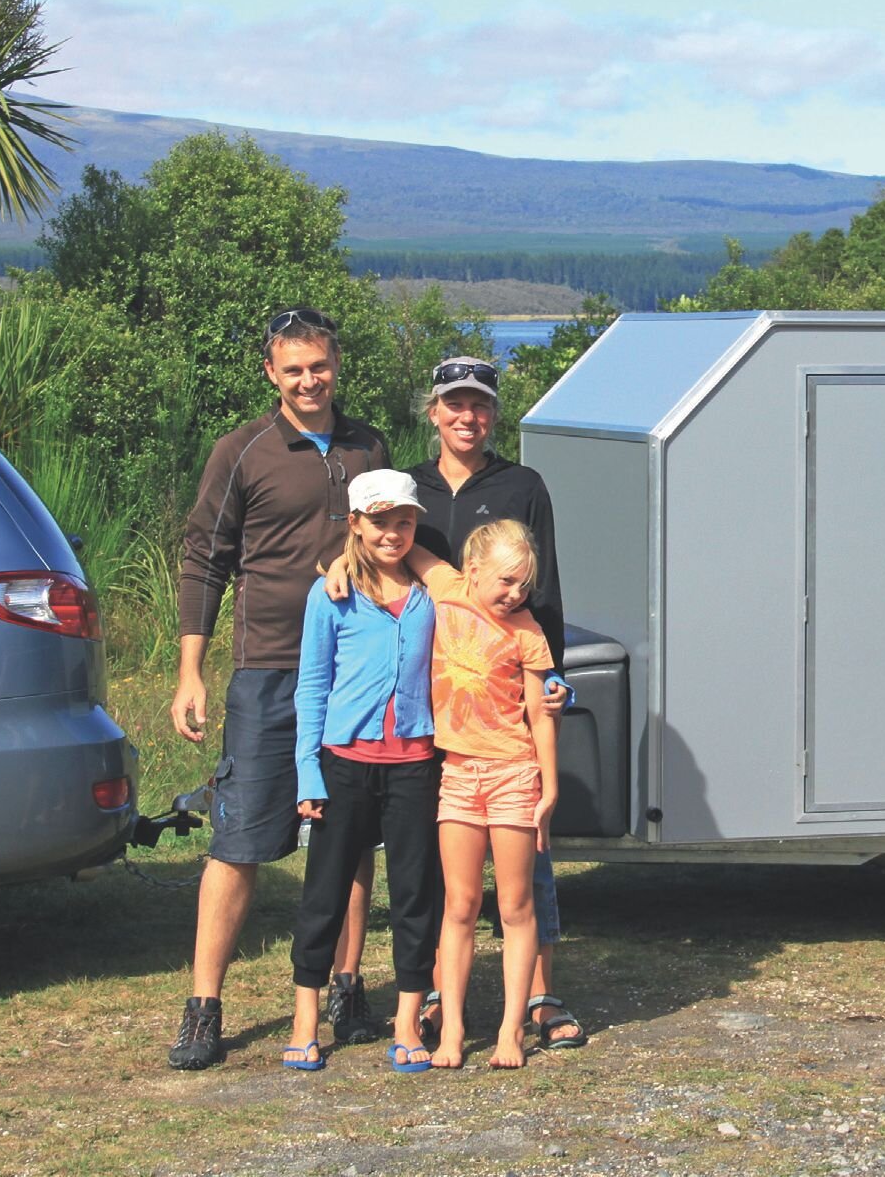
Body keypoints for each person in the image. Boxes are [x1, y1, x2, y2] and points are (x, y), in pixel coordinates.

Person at [329, 356, 587, 1050]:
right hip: (432, 710)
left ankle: (539, 996)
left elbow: (544, 591)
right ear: (434, 411)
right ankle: (443, 997)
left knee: (527, 872)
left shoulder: (522, 485)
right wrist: (342, 560)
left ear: (494, 413)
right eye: (454, 403)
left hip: (510, 702)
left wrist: (552, 676)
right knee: (445, 877)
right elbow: (385, 546)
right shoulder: (409, 486)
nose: (467, 416)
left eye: (479, 404)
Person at [168, 307, 389, 1071]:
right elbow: (204, 558)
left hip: (355, 671)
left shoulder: (368, 447)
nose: (307, 380)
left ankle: (348, 987)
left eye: (318, 365)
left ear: (336, 363)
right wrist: (191, 670)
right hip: (268, 669)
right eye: (292, 369)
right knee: (240, 840)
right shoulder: (242, 450)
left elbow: (390, 544)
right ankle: (203, 1005)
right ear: (270, 372)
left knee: (350, 835)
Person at [285, 470, 440, 1073]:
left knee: (414, 895)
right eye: (379, 521)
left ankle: (406, 1020)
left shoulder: (430, 593)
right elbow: (312, 685)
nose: (393, 533)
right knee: (324, 893)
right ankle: (305, 1020)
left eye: (404, 521)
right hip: (345, 763)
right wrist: (308, 771)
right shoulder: (330, 594)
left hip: (415, 765)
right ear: (354, 523)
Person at [409, 520, 558, 1069]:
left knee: (516, 906)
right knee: (460, 904)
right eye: (506, 581)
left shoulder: (528, 631)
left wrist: (549, 786)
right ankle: (452, 1028)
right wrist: (337, 565)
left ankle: (510, 1031)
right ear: (472, 571)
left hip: (514, 774)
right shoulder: (446, 587)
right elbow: (401, 547)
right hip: (457, 775)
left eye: (525, 584)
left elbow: (540, 714)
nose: (516, 594)